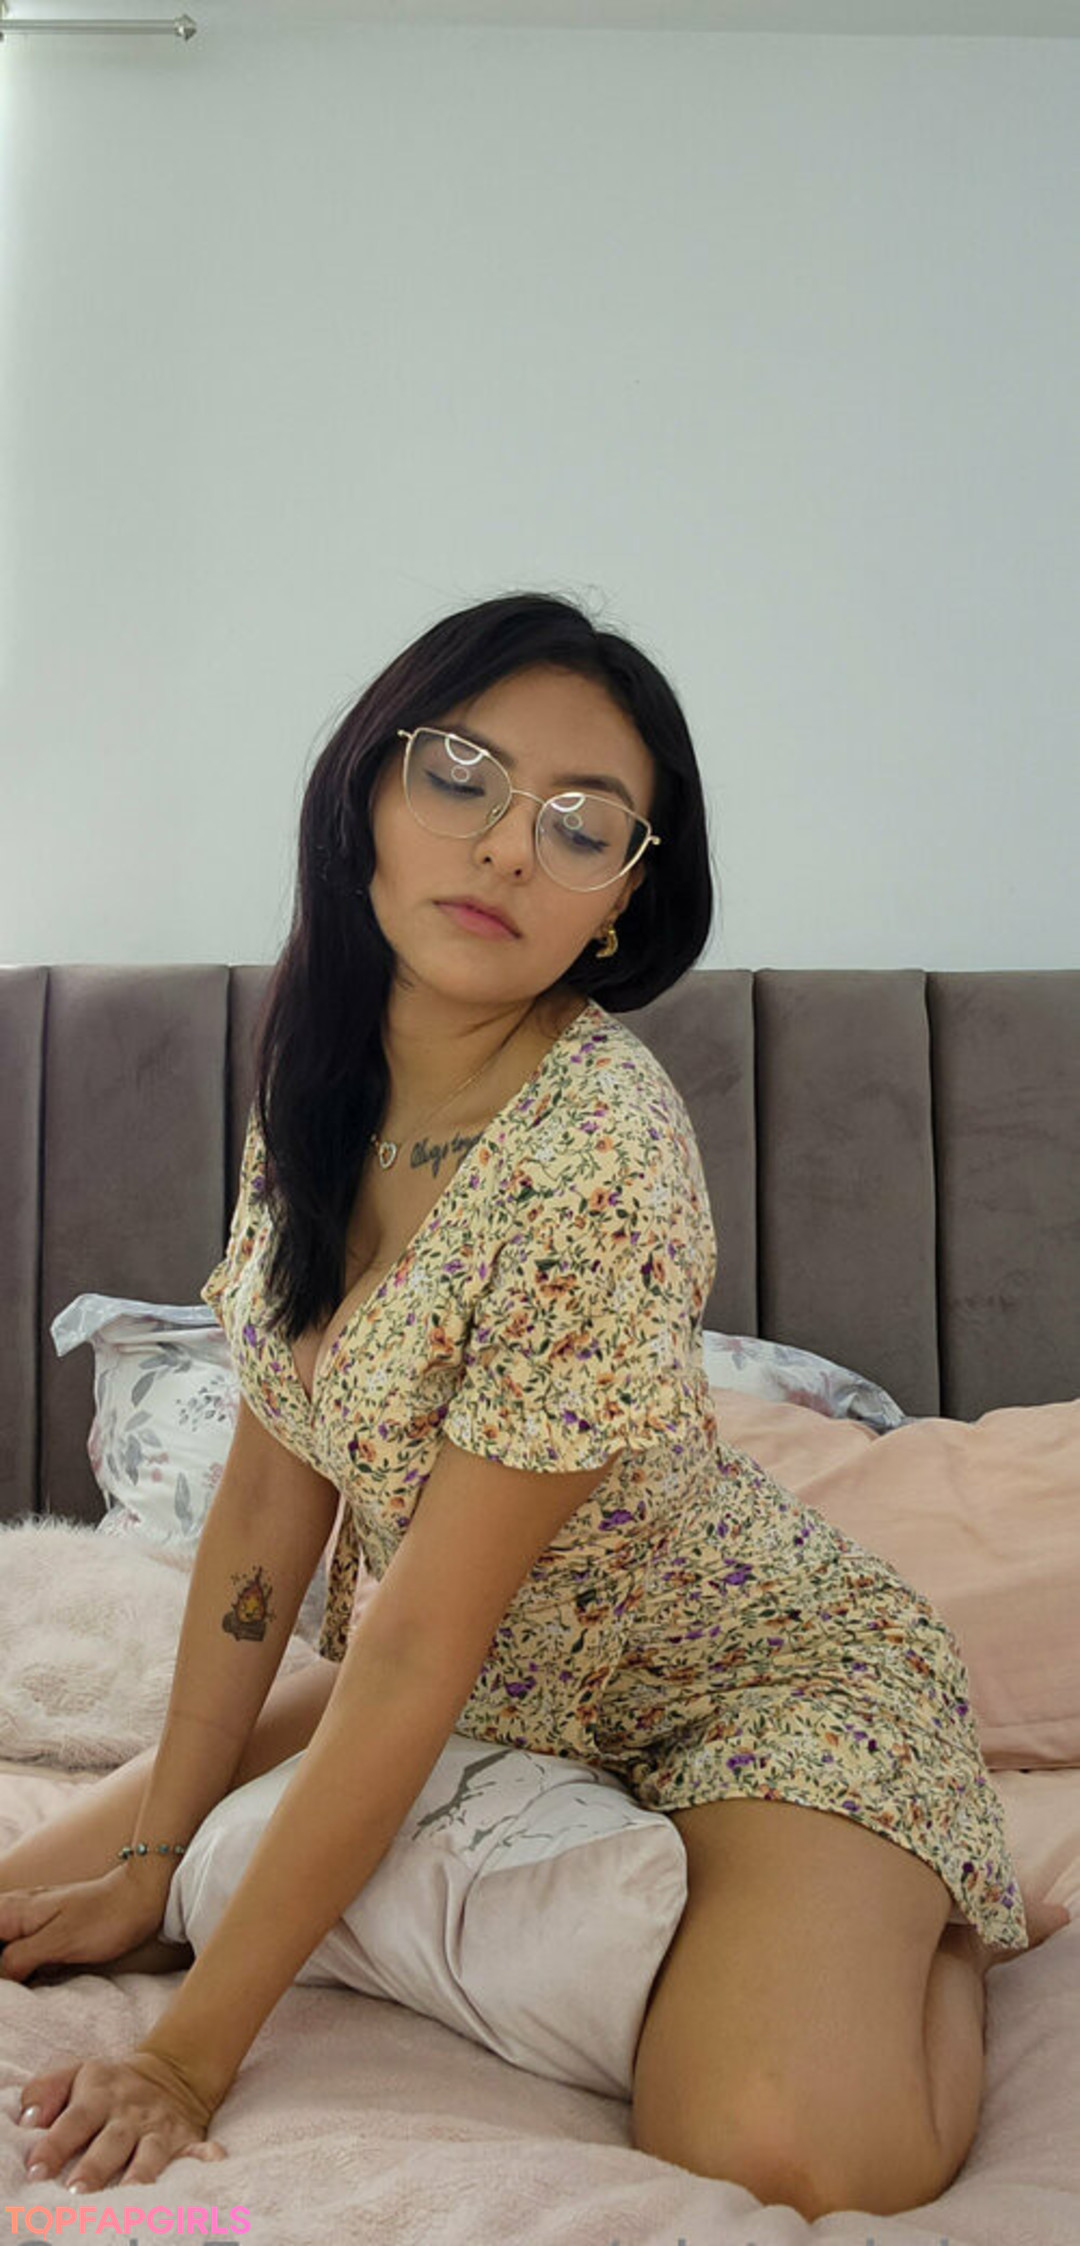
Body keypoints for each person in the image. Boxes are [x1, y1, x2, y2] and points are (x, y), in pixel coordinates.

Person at [1, 592, 1068, 2219]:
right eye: (462, 775)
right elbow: (271, 1499)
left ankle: (941, 1915)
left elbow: (413, 1649)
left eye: (581, 824)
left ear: (622, 902)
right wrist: (152, 1862)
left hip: (748, 1678)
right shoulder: (320, 1077)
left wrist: (187, 2058)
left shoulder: (602, 1153)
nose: (507, 846)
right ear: (370, 788)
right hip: (508, 1672)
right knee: (32, 1889)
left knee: (777, 2147)